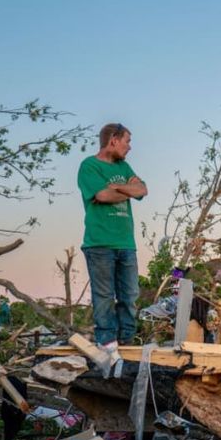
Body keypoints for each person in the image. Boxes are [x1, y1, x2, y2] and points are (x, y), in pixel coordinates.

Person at [78, 123, 148, 346]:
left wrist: (115, 189)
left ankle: (127, 342)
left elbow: (143, 190)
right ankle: (107, 344)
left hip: (126, 243)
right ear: (114, 140)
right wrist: (127, 190)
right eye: (127, 141)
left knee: (129, 296)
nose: (129, 147)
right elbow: (102, 195)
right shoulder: (89, 166)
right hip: (99, 244)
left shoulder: (124, 167)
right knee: (104, 298)